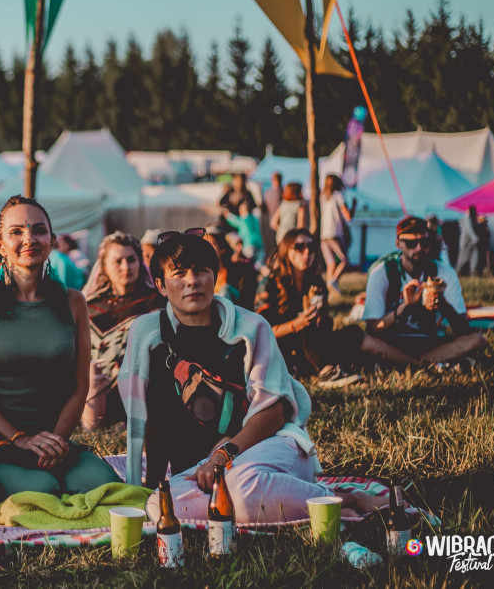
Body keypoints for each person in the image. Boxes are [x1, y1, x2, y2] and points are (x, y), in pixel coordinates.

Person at [118, 230, 389, 524]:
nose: (191, 281)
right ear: (160, 285)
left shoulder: (250, 327)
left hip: (269, 445)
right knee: (161, 506)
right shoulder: (147, 333)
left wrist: (223, 454)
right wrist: (147, 489)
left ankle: (344, 499)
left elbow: (275, 411)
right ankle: (292, 504)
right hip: (207, 467)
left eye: (201, 271)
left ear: (215, 276)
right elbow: (147, 418)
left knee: (241, 489)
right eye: (179, 273)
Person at [0, 195, 121, 496]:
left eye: (38, 230)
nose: (29, 238)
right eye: (16, 231)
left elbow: (80, 387)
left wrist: (55, 442)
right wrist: (18, 438)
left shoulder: (74, 302)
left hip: (49, 438)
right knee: (42, 490)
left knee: (105, 485)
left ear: (52, 240)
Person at [361, 216, 487, 370]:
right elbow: (372, 328)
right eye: (411, 243)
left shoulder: (444, 273)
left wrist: (442, 303)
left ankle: (402, 364)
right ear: (398, 243)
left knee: (478, 340)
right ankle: (428, 364)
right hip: (392, 341)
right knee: (365, 342)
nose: (419, 248)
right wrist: (404, 307)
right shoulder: (382, 272)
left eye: (425, 242)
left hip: (431, 341)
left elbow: (463, 329)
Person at [254, 229, 365, 386]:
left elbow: (326, 326)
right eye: (299, 247)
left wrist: (321, 318)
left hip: (311, 346)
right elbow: (263, 331)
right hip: (279, 347)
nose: (307, 252)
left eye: (311, 247)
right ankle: (327, 372)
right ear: (286, 250)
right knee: (307, 329)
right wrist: (296, 324)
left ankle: (337, 365)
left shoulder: (316, 282)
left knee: (353, 333)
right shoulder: (269, 283)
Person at [81, 231, 165, 426]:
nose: (126, 267)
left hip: (138, 403)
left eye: (131, 259)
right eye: (117, 261)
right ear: (104, 266)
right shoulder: (88, 306)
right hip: (88, 402)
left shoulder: (156, 303)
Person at [319, 174, 355, 298]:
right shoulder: (338, 196)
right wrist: (354, 206)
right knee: (344, 259)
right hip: (334, 233)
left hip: (323, 234)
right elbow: (348, 217)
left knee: (331, 264)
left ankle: (329, 292)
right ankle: (333, 281)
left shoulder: (323, 197)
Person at [456, 205, 480, 276]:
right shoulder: (466, 218)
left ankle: (473, 273)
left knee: (475, 258)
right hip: (466, 244)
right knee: (462, 261)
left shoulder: (473, 219)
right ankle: (457, 272)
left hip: (472, 243)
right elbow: (469, 230)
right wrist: (475, 238)